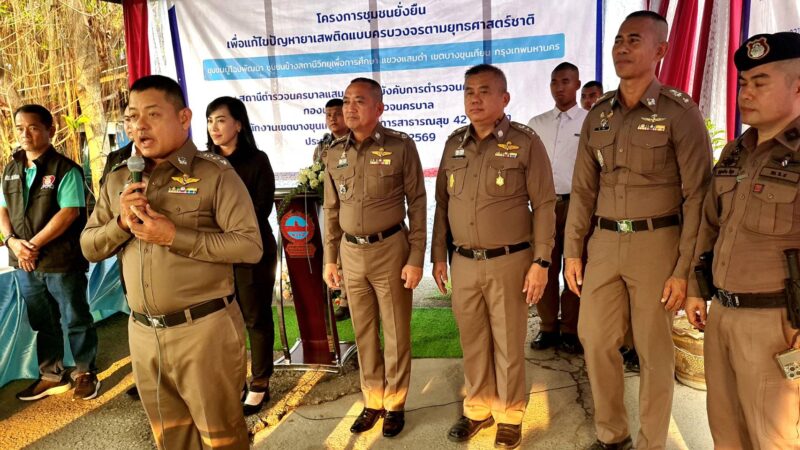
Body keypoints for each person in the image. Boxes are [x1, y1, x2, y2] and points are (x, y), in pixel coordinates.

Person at [81, 75, 262, 449]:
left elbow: (249, 247)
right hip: (143, 334)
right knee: (171, 439)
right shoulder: (119, 179)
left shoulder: (214, 174)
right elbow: (89, 247)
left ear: (184, 118)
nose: (140, 126)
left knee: (222, 438)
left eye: (152, 114)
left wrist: (173, 236)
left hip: (204, 332)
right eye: (132, 116)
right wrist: (120, 224)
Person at [563, 11, 712, 449]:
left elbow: (699, 197)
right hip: (605, 242)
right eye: (618, 40)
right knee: (594, 338)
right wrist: (573, 251)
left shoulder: (679, 112)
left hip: (657, 244)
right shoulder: (599, 114)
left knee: (653, 350)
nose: (622, 48)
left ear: (660, 50)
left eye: (634, 40)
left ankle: (652, 443)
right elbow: (582, 190)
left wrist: (684, 270)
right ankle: (613, 435)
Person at [685, 32, 800, 449]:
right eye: (743, 83)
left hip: (778, 324)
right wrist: (696, 289)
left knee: (774, 438)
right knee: (726, 429)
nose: (746, 93)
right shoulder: (735, 152)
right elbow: (709, 226)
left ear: (798, 87)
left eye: (760, 82)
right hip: (723, 315)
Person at [432, 64, 556, 449]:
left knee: (507, 341)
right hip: (464, 262)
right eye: (469, 91)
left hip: (510, 261)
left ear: (504, 98)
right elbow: (442, 205)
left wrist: (541, 262)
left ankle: (510, 412)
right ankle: (477, 409)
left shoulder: (525, 142)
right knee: (472, 340)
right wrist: (438, 256)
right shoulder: (454, 144)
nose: (475, 98)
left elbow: (545, 204)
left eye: (484, 91)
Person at [322, 77, 426, 438]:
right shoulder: (334, 152)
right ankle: (373, 400)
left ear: (379, 108)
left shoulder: (400, 146)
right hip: (351, 253)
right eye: (346, 101)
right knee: (364, 331)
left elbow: (418, 202)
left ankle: (395, 403)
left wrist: (416, 256)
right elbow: (331, 210)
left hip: (390, 250)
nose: (349, 108)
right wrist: (330, 258)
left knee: (395, 331)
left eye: (359, 101)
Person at [0, 104, 99, 401]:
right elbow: (2, 209)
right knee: (42, 321)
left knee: (75, 317)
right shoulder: (11, 169)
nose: (25, 134)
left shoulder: (65, 169)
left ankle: (85, 372)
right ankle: (51, 375)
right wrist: (12, 242)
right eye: (20, 128)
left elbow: (69, 213)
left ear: (50, 130)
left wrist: (31, 246)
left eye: (32, 127)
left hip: (60, 260)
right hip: (25, 263)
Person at [207, 95, 278, 415]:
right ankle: (233, 379)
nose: (214, 127)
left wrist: (224, 229)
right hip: (213, 254)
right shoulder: (203, 162)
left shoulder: (256, 160)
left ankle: (260, 380)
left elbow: (261, 207)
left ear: (238, 124)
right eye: (210, 121)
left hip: (251, 251)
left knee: (254, 315)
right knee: (221, 320)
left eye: (221, 120)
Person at [527, 62, 588, 354]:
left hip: (577, 206)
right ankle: (548, 326)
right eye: (554, 82)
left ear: (577, 85)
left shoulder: (589, 121)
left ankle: (572, 329)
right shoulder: (536, 124)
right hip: (544, 206)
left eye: (565, 81)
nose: (559, 87)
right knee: (544, 266)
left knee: (575, 268)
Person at [313, 98, 351, 321]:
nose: (332, 119)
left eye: (337, 114)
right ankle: (339, 298)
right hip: (330, 207)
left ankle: (348, 300)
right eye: (328, 115)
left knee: (349, 254)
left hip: (352, 208)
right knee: (334, 252)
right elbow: (317, 173)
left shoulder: (355, 141)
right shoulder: (322, 146)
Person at [99, 106, 135, 187]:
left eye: (134, 118)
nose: (129, 125)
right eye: (127, 119)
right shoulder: (113, 158)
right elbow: (103, 191)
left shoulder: (158, 157)